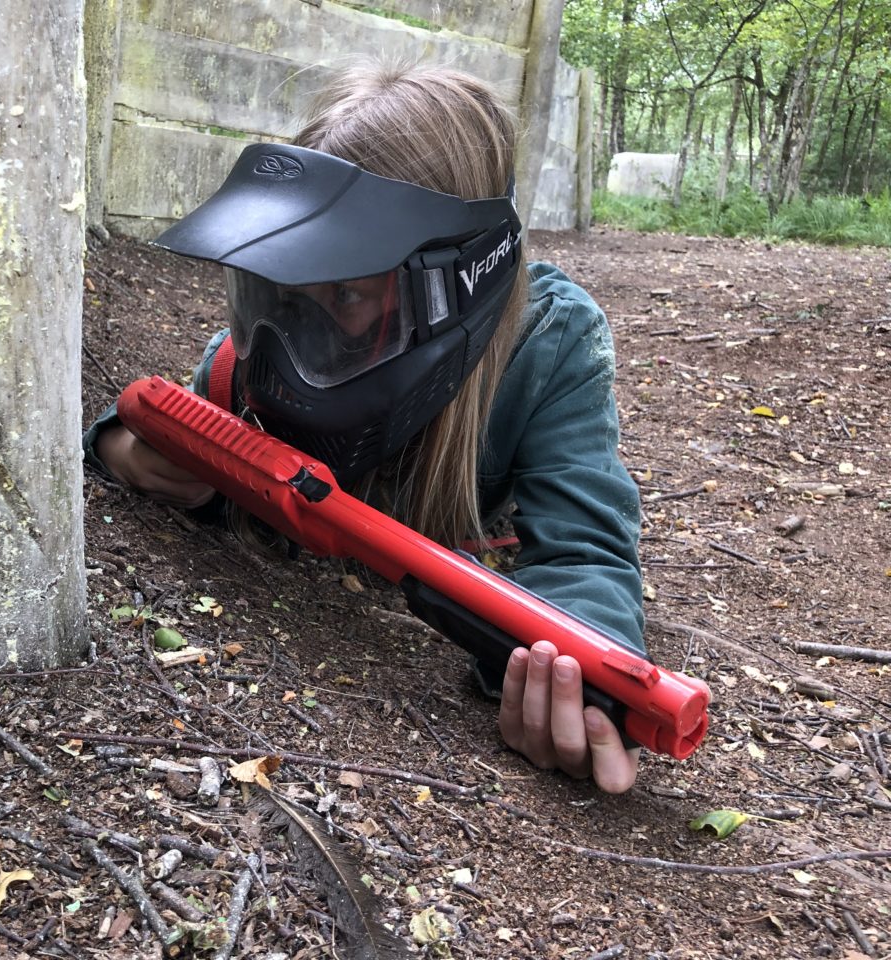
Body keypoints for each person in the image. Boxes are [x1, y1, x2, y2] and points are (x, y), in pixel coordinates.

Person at [85, 62, 707, 793]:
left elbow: (586, 546)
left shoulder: (549, 342)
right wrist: (123, 450)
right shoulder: (257, 354)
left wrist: (580, 669)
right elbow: (177, 423)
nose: (285, 340)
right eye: (277, 288)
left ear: (449, 290)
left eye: (344, 294)